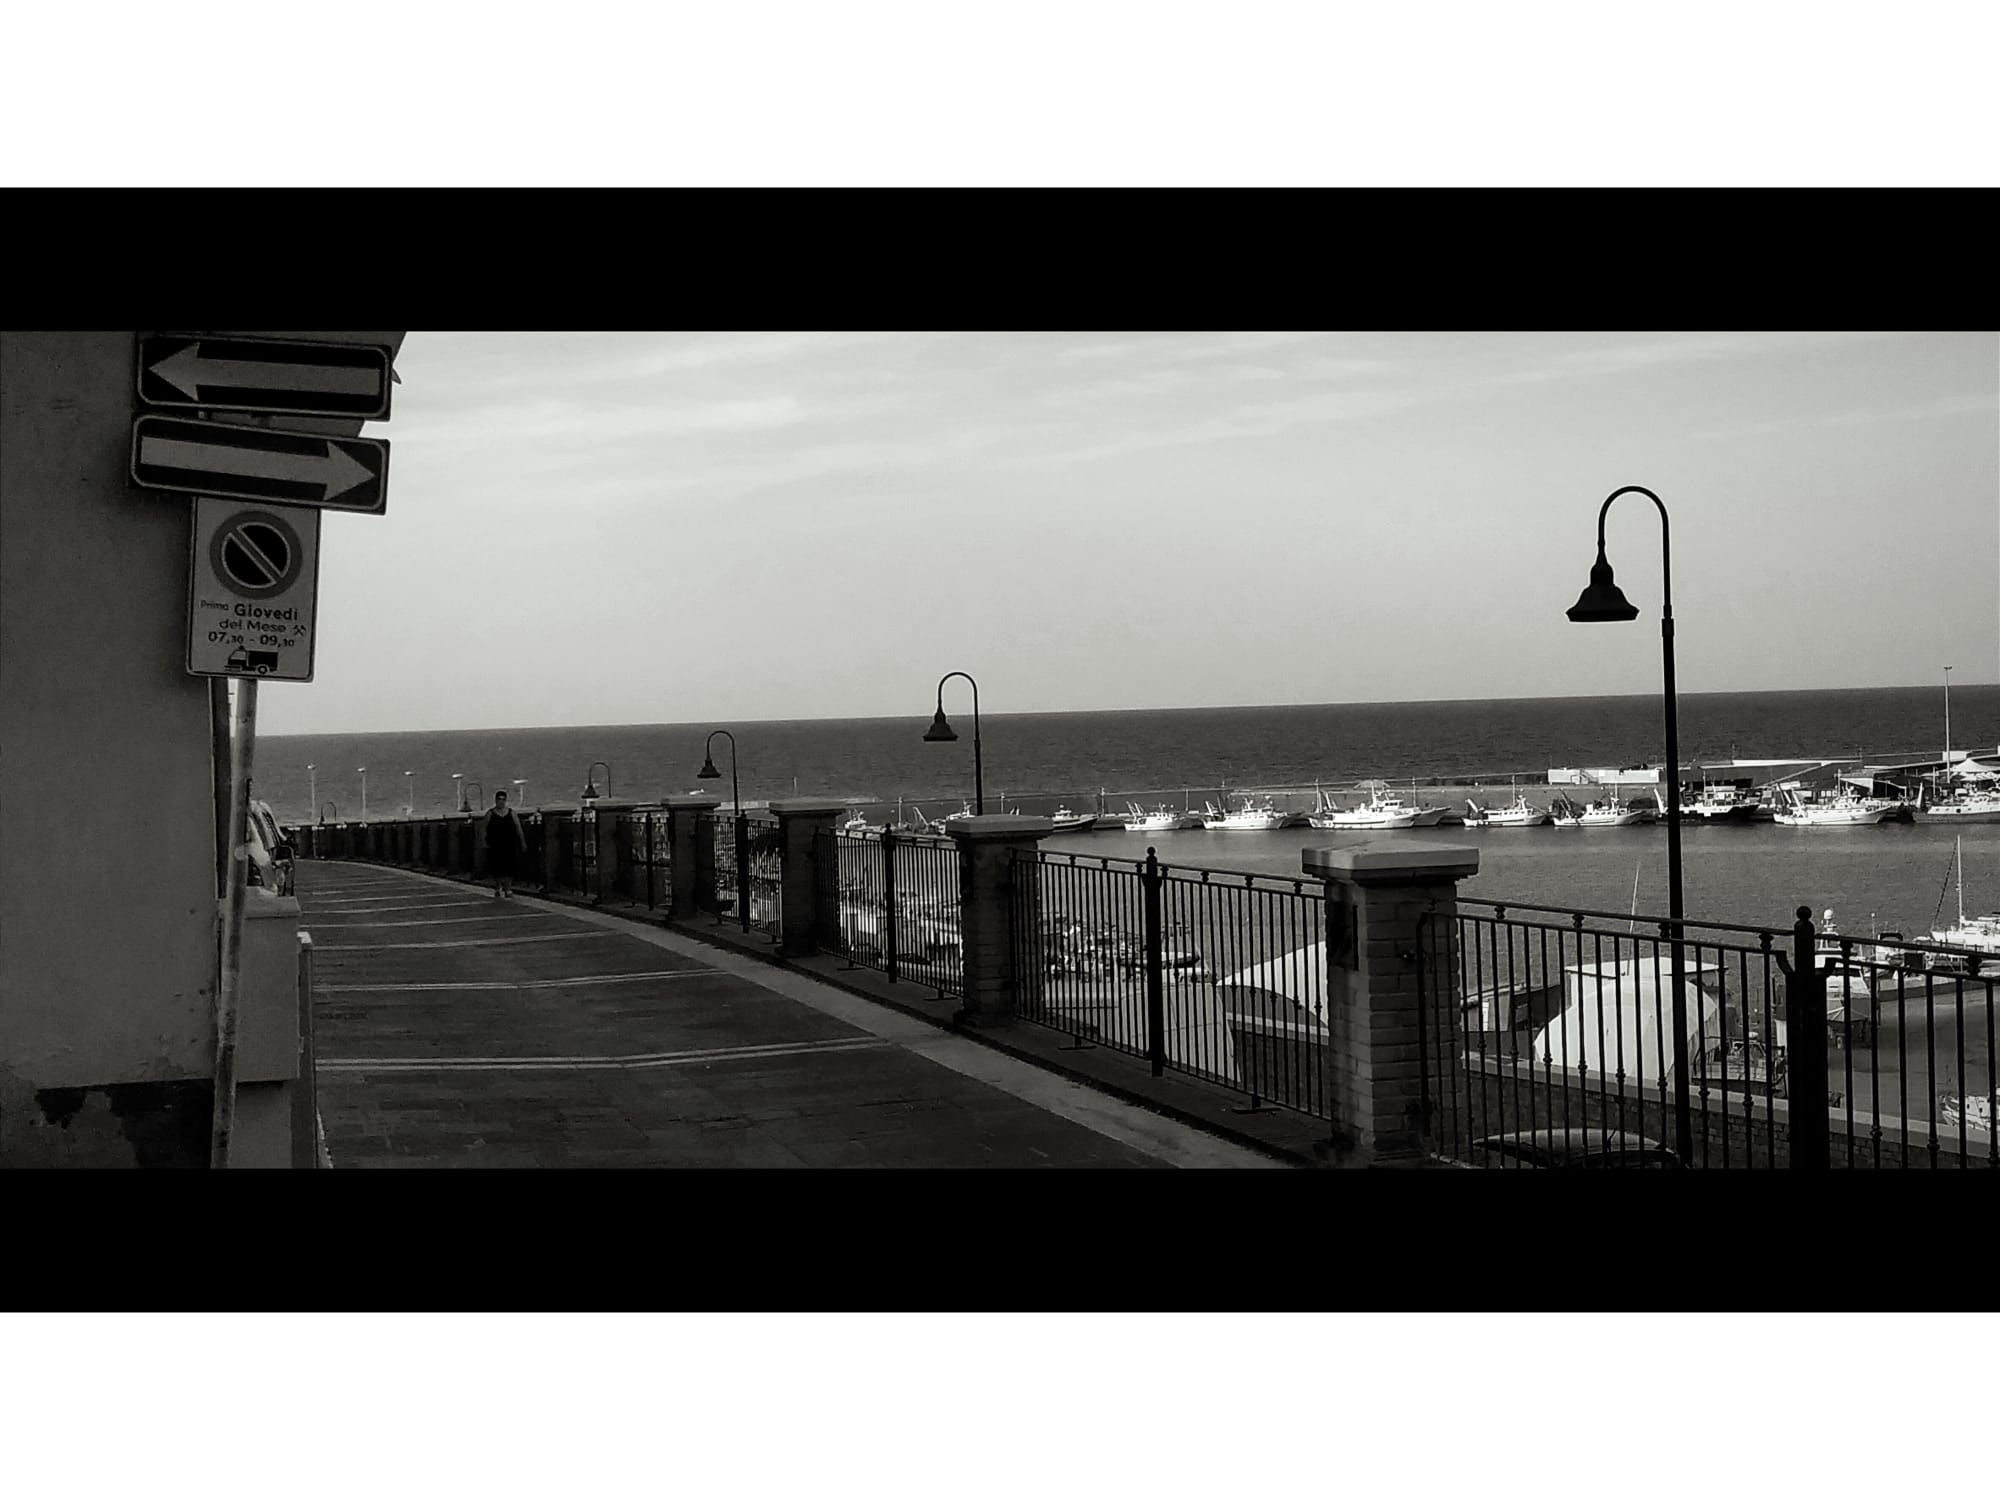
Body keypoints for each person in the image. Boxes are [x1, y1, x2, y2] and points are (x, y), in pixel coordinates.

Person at [480, 789, 525, 898]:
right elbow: (483, 829)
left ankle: (508, 888)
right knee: (497, 867)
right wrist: (483, 842)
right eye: (499, 799)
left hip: (509, 844)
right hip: (495, 845)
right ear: (495, 800)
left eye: (503, 799)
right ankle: (498, 886)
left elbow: (518, 827)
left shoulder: (511, 813)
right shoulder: (490, 813)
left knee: (510, 867)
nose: (501, 802)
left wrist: (522, 842)